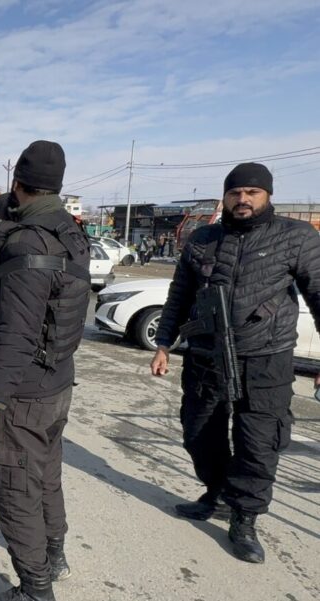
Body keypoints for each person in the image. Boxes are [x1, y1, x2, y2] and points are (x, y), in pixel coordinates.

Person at [150, 162, 320, 564]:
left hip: (266, 359)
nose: (243, 199)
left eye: (252, 192)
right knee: (198, 433)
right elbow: (179, 295)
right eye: (235, 192)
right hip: (206, 356)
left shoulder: (296, 237)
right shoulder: (202, 238)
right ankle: (217, 493)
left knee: (257, 444)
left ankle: (244, 517)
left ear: (267, 196)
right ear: (225, 196)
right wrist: (162, 343)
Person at [0, 141, 91, 601]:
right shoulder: (70, 231)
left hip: (24, 392)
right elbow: (14, 206)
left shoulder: (25, 244)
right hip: (57, 382)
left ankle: (36, 589)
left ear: (19, 183)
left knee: (16, 489)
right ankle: (54, 556)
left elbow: (15, 335)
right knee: (46, 477)